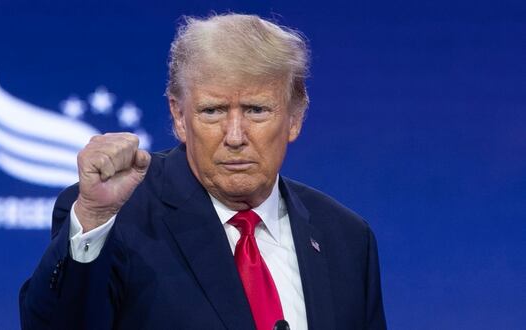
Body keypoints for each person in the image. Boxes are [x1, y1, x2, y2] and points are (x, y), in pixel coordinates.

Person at [19, 13, 386, 330]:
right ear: (179, 116)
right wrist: (95, 217)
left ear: (295, 117)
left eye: (257, 110)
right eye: (213, 111)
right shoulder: (118, 219)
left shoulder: (346, 238)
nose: (235, 136)